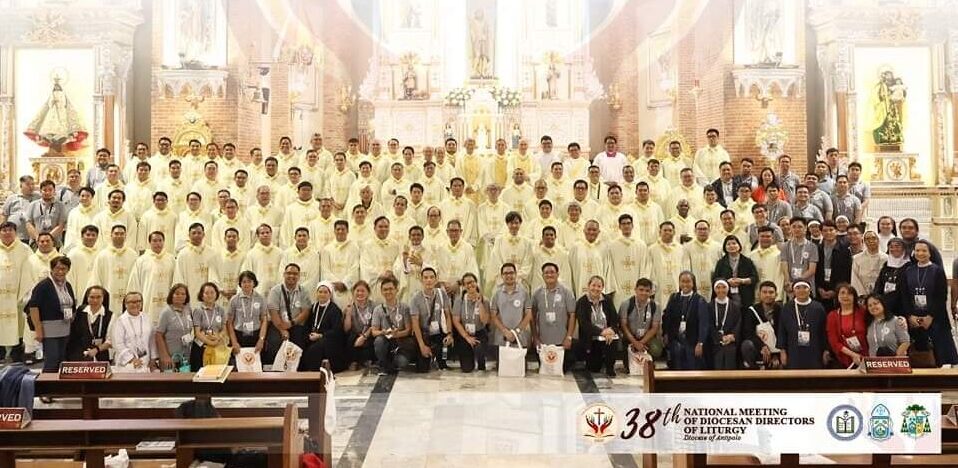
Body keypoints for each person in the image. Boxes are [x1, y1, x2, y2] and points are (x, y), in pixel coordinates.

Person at [900, 240, 958, 367]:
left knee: (940, 356)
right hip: (914, 318)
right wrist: (910, 316)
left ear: (930, 253)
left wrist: (930, 316)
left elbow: (941, 296)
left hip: (935, 318)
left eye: (924, 250)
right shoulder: (908, 271)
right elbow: (905, 296)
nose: (920, 253)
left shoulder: (937, 270)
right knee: (919, 356)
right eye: (918, 250)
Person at [26, 255, 76, 372]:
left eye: (63, 268)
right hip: (49, 329)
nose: (60, 271)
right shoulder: (43, 286)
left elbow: (71, 303)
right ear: (52, 269)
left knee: (62, 360)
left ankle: (58, 387)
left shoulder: (67, 285)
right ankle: (46, 387)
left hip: (64, 327)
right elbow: (33, 307)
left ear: (68, 270)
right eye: (57, 268)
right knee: (52, 359)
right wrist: (38, 329)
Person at [531, 263, 577, 373]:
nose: (549, 275)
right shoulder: (537, 293)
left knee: (561, 371)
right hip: (543, 342)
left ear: (557, 274)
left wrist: (569, 337)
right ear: (542, 275)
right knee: (546, 372)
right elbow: (531, 316)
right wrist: (535, 337)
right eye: (546, 273)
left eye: (552, 272)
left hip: (562, 342)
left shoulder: (566, 292)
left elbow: (572, 315)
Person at [265, 263, 313, 362]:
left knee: (299, 343)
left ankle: (297, 372)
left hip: (296, 325)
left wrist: (292, 323)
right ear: (284, 274)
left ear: (299, 276)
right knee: (274, 342)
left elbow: (305, 312)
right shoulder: (275, 291)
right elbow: (273, 312)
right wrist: (282, 330)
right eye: (289, 273)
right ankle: (275, 372)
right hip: (278, 325)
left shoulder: (303, 291)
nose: (292, 276)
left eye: (295, 274)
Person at [662, 271, 709, 370]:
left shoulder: (700, 300)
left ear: (693, 283)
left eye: (688, 281)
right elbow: (667, 317)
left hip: (693, 340)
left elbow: (703, 324)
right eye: (682, 281)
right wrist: (665, 333)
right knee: (676, 359)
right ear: (679, 283)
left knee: (691, 365)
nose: (685, 284)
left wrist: (700, 343)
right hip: (675, 338)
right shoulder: (674, 298)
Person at [410, 267, 454, 372]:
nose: (428, 280)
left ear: (436, 279)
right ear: (421, 280)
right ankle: (428, 356)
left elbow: (448, 315)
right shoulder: (415, 298)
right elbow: (415, 323)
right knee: (422, 369)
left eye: (431, 277)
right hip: (424, 334)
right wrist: (421, 345)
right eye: (425, 278)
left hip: (439, 332)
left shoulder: (441, 294)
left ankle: (440, 359)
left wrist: (449, 334)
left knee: (447, 345)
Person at [371, 277, 416, 375]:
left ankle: (391, 363)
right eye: (385, 289)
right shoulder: (378, 310)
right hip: (386, 341)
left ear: (396, 289)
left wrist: (397, 334)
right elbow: (374, 331)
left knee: (402, 362)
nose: (388, 292)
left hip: (400, 342)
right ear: (381, 292)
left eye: (391, 289)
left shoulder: (405, 308)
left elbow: (409, 330)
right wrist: (383, 332)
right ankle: (384, 364)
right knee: (379, 341)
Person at [575, 276, 619, 377]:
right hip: (591, 338)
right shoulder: (582, 302)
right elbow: (584, 324)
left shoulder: (607, 300)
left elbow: (614, 319)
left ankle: (610, 367)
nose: (596, 288)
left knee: (613, 339)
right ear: (588, 286)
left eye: (599, 286)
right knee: (594, 368)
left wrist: (611, 330)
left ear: (602, 287)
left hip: (607, 336)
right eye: (593, 285)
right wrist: (601, 332)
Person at [778, 282, 828, 369]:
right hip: (793, 351)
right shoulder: (787, 307)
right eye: (798, 288)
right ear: (793, 291)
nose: (801, 290)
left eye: (805, 287)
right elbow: (782, 331)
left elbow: (824, 331)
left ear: (810, 290)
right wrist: (782, 351)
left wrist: (826, 350)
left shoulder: (818, 308)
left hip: (814, 350)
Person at [300, 282, 345, 372]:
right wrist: (309, 335)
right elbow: (308, 325)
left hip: (329, 339)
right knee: (300, 342)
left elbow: (337, 330)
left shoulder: (334, 309)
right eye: (320, 292)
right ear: (317, 293)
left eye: (325, 292)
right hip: (313, 337)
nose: (322, 294)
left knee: (315, 349)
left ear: (330, 294)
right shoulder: (313, 307)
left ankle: (314, 373)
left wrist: (320, 335)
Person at [489, 263, 533, 352]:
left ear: (516, 274)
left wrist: (516, 332)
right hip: (502, 338)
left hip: (520, 337)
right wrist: (505, 331)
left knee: (520, 365)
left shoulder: (524, 292)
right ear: (501, 276)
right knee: (502, 365)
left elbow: (528, 315)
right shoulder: (496, 294)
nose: (509, 275)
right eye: (506, 273)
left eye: (511, 273)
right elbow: (493, 316)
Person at [226, 271, 268, 364]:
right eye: (244, 282)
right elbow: (229, 323)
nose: (246, 284)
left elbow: (264, 320)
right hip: (239, 336)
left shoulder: (261, 299)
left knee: (255, 365)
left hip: (256, 335)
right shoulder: (234, 300)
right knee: (240, 365)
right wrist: (234, 342)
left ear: (254, 283)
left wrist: (261, 340)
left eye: (249, 281)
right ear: (240, 284)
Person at [619, 278, 664, 364]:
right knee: (628, 364)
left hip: (646, 338)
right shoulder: (626, 304)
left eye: (647, 290)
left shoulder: (656, 306)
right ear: (635, 290)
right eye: (641, 290)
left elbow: (654, 328)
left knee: (656, 349)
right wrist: (635, 342)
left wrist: (641, 343)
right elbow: (623, 326)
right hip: (630, 338)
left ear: (651, 292)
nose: (644, 293)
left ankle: (649, 362)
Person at [453, 273, 490, 373]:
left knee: (479, 349)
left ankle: (481, 363)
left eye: (472, 282)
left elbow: (485, 321)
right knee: (466, 368)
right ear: (464, 286)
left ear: (476, 283)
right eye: (467, 283)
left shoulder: (485, 300)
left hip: (479, 332)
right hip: (465, 334)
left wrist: (480, 304)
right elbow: (456, 321)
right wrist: (467, 337)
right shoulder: (459, 300)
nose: (470, 285)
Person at [65, 286, 113, 362]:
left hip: (100, 354)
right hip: (78, 354)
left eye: (98, 297)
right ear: (87, 298)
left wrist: (96, 350)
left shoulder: (110, 315)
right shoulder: (79, 312)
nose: (95, 300)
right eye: (92, 297)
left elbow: (110, 341)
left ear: (103, 298)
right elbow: (73, 335)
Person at [741, 281, 782, 369]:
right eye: (764, 292)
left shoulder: (781, 310)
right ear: (759, 294)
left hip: (777, 350)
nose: (767, 295)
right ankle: (754, 370)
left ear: (776, 294)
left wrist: (776, 354)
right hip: (760, 348)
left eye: (771, 292)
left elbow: (783, 333)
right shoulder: (752, 311)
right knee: (746, 345)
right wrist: (762, 346)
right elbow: (748, 333)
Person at [113, 292, 158, 372]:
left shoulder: (147, 318)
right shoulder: (120, 321)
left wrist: (153, 359)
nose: (135, 304)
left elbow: (152, 340)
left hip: (146, 362)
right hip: (127, 364)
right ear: (125, 304)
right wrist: (132, 359)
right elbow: (118, 344)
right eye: (131, 302)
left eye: (138, 301)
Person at [825, 284, 868, 368]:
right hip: (844, 359)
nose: (845, 296)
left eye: (849, 293)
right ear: (837, 296)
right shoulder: (832, 316)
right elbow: (834, 342)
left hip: (866, 357)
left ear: (854, 297)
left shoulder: (863, 312)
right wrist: (853, 355)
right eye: (842, 293)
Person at [155, 283, 193, 371]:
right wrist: (165, 356)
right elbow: (158, 335)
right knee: (170, 383)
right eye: (177, 293)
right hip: (170, 358)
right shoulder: (166, 312)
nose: (180, 296)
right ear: (171, 295)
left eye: (183, 294)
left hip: (185, 357)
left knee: (184, 381)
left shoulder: (188, 309)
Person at [712, 235, 758, 308]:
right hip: (726, 295)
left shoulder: (747, 261)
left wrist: (742, 281)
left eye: (734, 243)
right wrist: (727, 282)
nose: (731, 246)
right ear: (725, 247)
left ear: (739, 245)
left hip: (744, 295)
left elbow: (754, 278)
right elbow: (715, 279)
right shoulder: (721, 262)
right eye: (728, 244)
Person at [190, 282, 228, 371]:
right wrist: (210, 342)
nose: (209, 295)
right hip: (201, 347)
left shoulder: (221, 310)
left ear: (216, 294)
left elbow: (224, 329)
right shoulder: (198, 311)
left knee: (216, 373)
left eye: (212, 292)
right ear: (202, 295)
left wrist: (218, 338)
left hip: (217, 346)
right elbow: (197, 333)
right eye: (206, 293)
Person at [343, 281, 377, 370]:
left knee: (375, 339)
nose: (360, 293)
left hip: (368, 334)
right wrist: (348, 314)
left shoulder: (374, 306)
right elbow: (346, 329)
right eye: (357, 291)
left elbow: (375, 325)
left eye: (363, 291)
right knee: (350, 338)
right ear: (353, 292)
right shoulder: (350, 306)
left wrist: (364, 336)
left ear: (368, 293)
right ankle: (353, 361)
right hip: (354, 336)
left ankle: (367, 360)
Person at [708, 280, 741, 370]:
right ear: (714, 290)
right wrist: (720, 337)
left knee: (729, 351)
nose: (721, 290)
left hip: (731, 340)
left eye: (724, 287)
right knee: (717, 352)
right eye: (718, 288)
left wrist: (732, 336)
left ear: (728, 289)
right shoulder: (709, 306)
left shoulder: (735, 306)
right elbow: (709, 325)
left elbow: (738, 324)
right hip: (714, 341)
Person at [874, 238, 909, 309]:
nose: (894, 249)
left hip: (902, 306)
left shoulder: (909, 267)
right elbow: (879, 284)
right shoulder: (886, 265)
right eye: (891, 247)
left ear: (904, 248)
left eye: (897, 246)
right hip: (885, 305)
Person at [851, 230, 887, 296]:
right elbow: (855, 279)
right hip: (862, 294)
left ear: (878, 240)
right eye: (867, 239)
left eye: (873, 238)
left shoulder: (886, 258)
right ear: (864, 241)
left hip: (881, 295)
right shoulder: (857, 258)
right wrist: (862, 295)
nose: (871, 241)